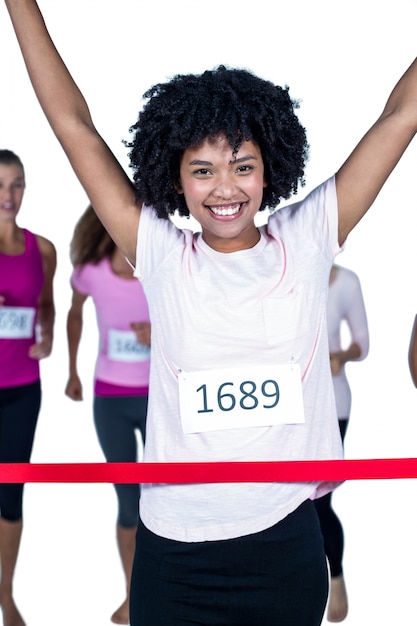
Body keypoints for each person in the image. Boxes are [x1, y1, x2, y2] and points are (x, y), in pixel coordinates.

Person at [4, 2, 417, 623]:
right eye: (203, 170)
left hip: (282, 542)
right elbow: (73, 125)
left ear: (268, 168)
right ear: (174, 178)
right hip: (174, 551)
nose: (225, 189)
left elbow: (401, 116)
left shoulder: (307, 240)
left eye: (242, 167)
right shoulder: (162, 254)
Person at [65, 205, 150, 625]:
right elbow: (75, 310)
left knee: (166, 499)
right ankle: (133, 593)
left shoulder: (160, 265)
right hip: (111, 399)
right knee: (127, 501)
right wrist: (71, 371)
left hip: (159, 400)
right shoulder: (92, 271)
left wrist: (159, 332)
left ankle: (163, 590)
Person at [0, 148, 56, 626]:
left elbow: (48, 306)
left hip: (22, 386)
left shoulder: (43, 250)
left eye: (16, 184)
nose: (8, 195)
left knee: (10, 495)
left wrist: (49, 336)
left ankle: (6, 594)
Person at [314, 263, 369, 623]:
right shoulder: (277, 272)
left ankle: (335, 578)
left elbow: (362, 344)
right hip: (286, 405)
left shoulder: (347, 282)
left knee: (319, 500)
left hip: (333, 403)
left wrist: (342, 356)